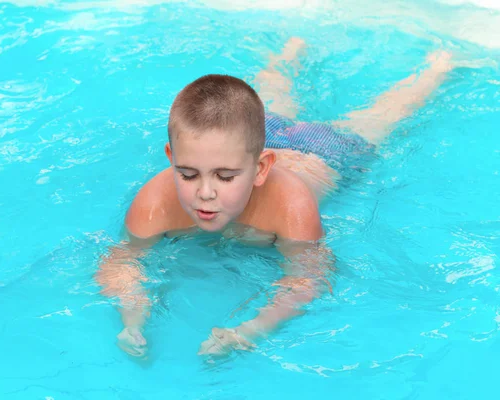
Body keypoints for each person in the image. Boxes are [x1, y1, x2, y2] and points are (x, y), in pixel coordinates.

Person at [95, 37, 453, 357]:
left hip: (322, 152)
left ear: (262, 168)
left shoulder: (289, 204)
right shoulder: (157, 200)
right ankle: (293, 44)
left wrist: (249, 330)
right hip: (246, 138)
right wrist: (132, 319)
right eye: (188, 174)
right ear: (172, 158)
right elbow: (121, 262)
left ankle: (439, 66)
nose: (205, 192)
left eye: (225, 177)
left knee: (382, 117)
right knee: (270, 94)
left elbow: (308, 277)